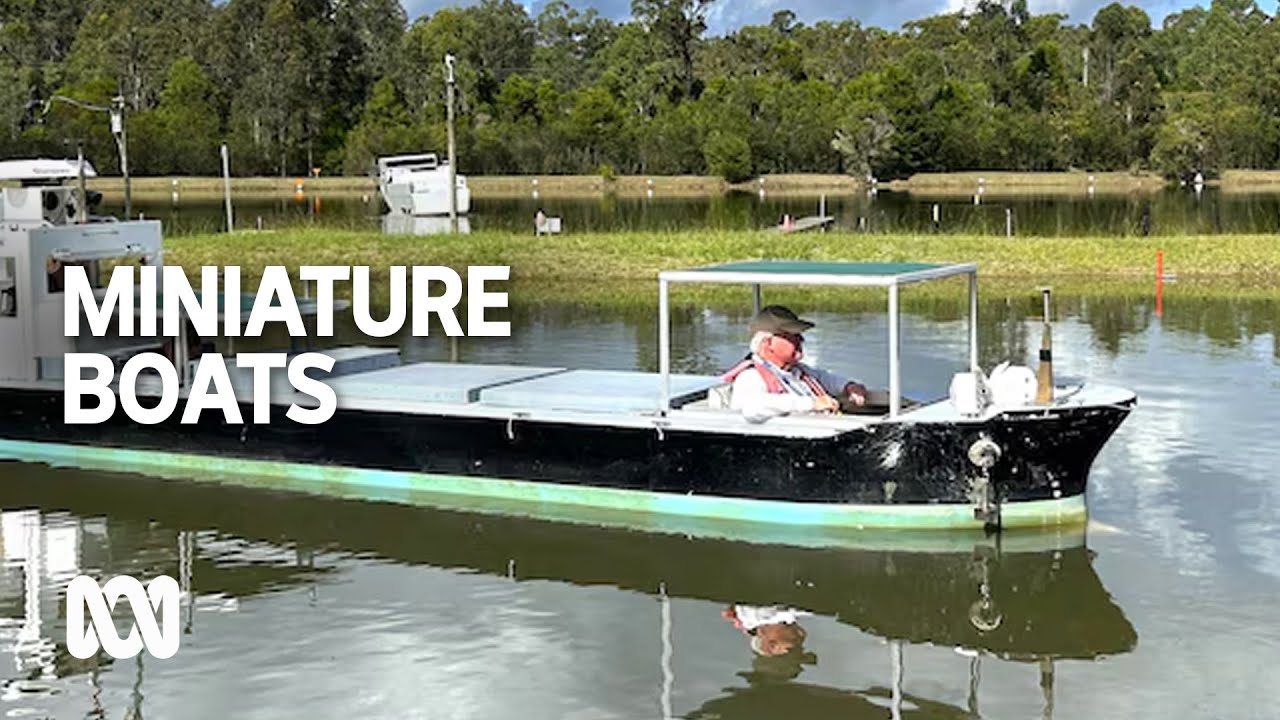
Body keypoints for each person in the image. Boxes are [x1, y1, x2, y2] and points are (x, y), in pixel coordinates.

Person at [722, 305, 868, 423]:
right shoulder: (751, 377)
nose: (801, 340)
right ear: (768, 343)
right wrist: (811, 403)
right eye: (791, 336)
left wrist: (849, 386)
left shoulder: (797, 370)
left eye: (799, 336)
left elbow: (825, 378)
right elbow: (752, 407)